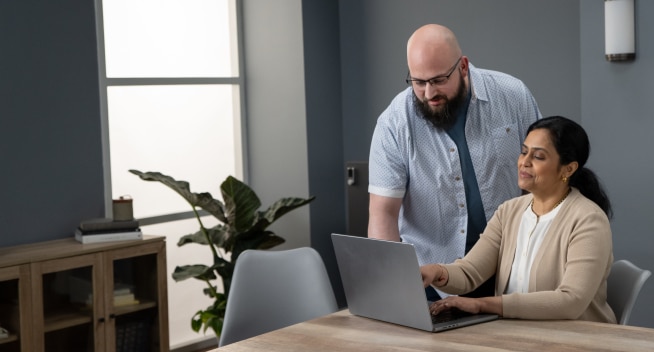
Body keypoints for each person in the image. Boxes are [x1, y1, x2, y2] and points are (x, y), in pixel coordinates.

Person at [368, 24, 542, 300]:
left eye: (438, 80)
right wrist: (394, 289)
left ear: (463, 67)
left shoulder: (513, 97)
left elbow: (541, 182)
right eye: (418, 82)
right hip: (432, 280)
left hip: (511, 269)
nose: (428, 93)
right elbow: (383, 215)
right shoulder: (393, 124)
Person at [420, 116, 616, 323]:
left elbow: (570, 301)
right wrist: (436, 272)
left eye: (538, 156)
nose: (524, 162)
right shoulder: (509, 211)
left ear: (568, 169)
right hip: (515, 334)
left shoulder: (589, 220)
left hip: (577, 339)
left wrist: (481, 305)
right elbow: (470, 272)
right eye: (524, 152)